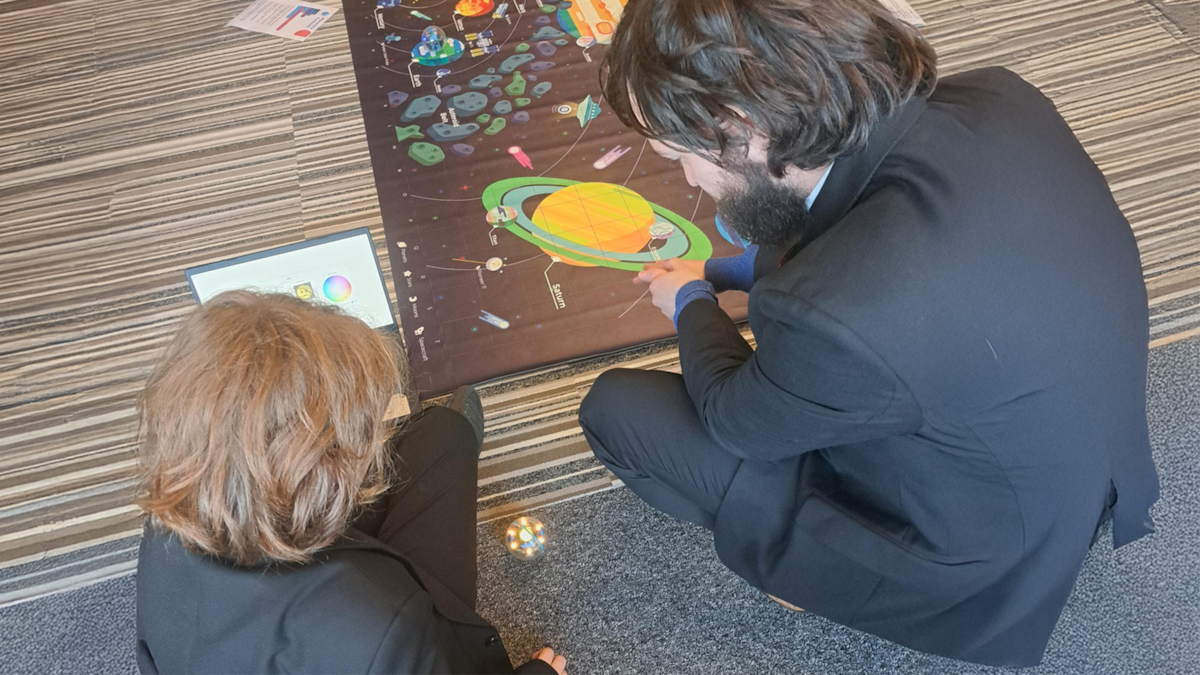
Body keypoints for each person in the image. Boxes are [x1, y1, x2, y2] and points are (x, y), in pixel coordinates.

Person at [578, 0, 1160, 666]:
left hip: (976, 553)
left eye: (680, 156)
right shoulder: (999, 96)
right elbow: (835, 218)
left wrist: (689, 299)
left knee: (616, 410)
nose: (686, 179)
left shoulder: (838, 316)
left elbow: (734, 419)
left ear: (742, 129)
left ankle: (812, 577)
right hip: (1070, 466)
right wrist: (721, 266)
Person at [134, 291, 566, 675]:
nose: (371, 440)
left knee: (441, 438)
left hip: (276, 588)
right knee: (440, 442)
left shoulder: (170, 512)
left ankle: (450, 432)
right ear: (320, 479)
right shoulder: (384, 635)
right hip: (361, 628)